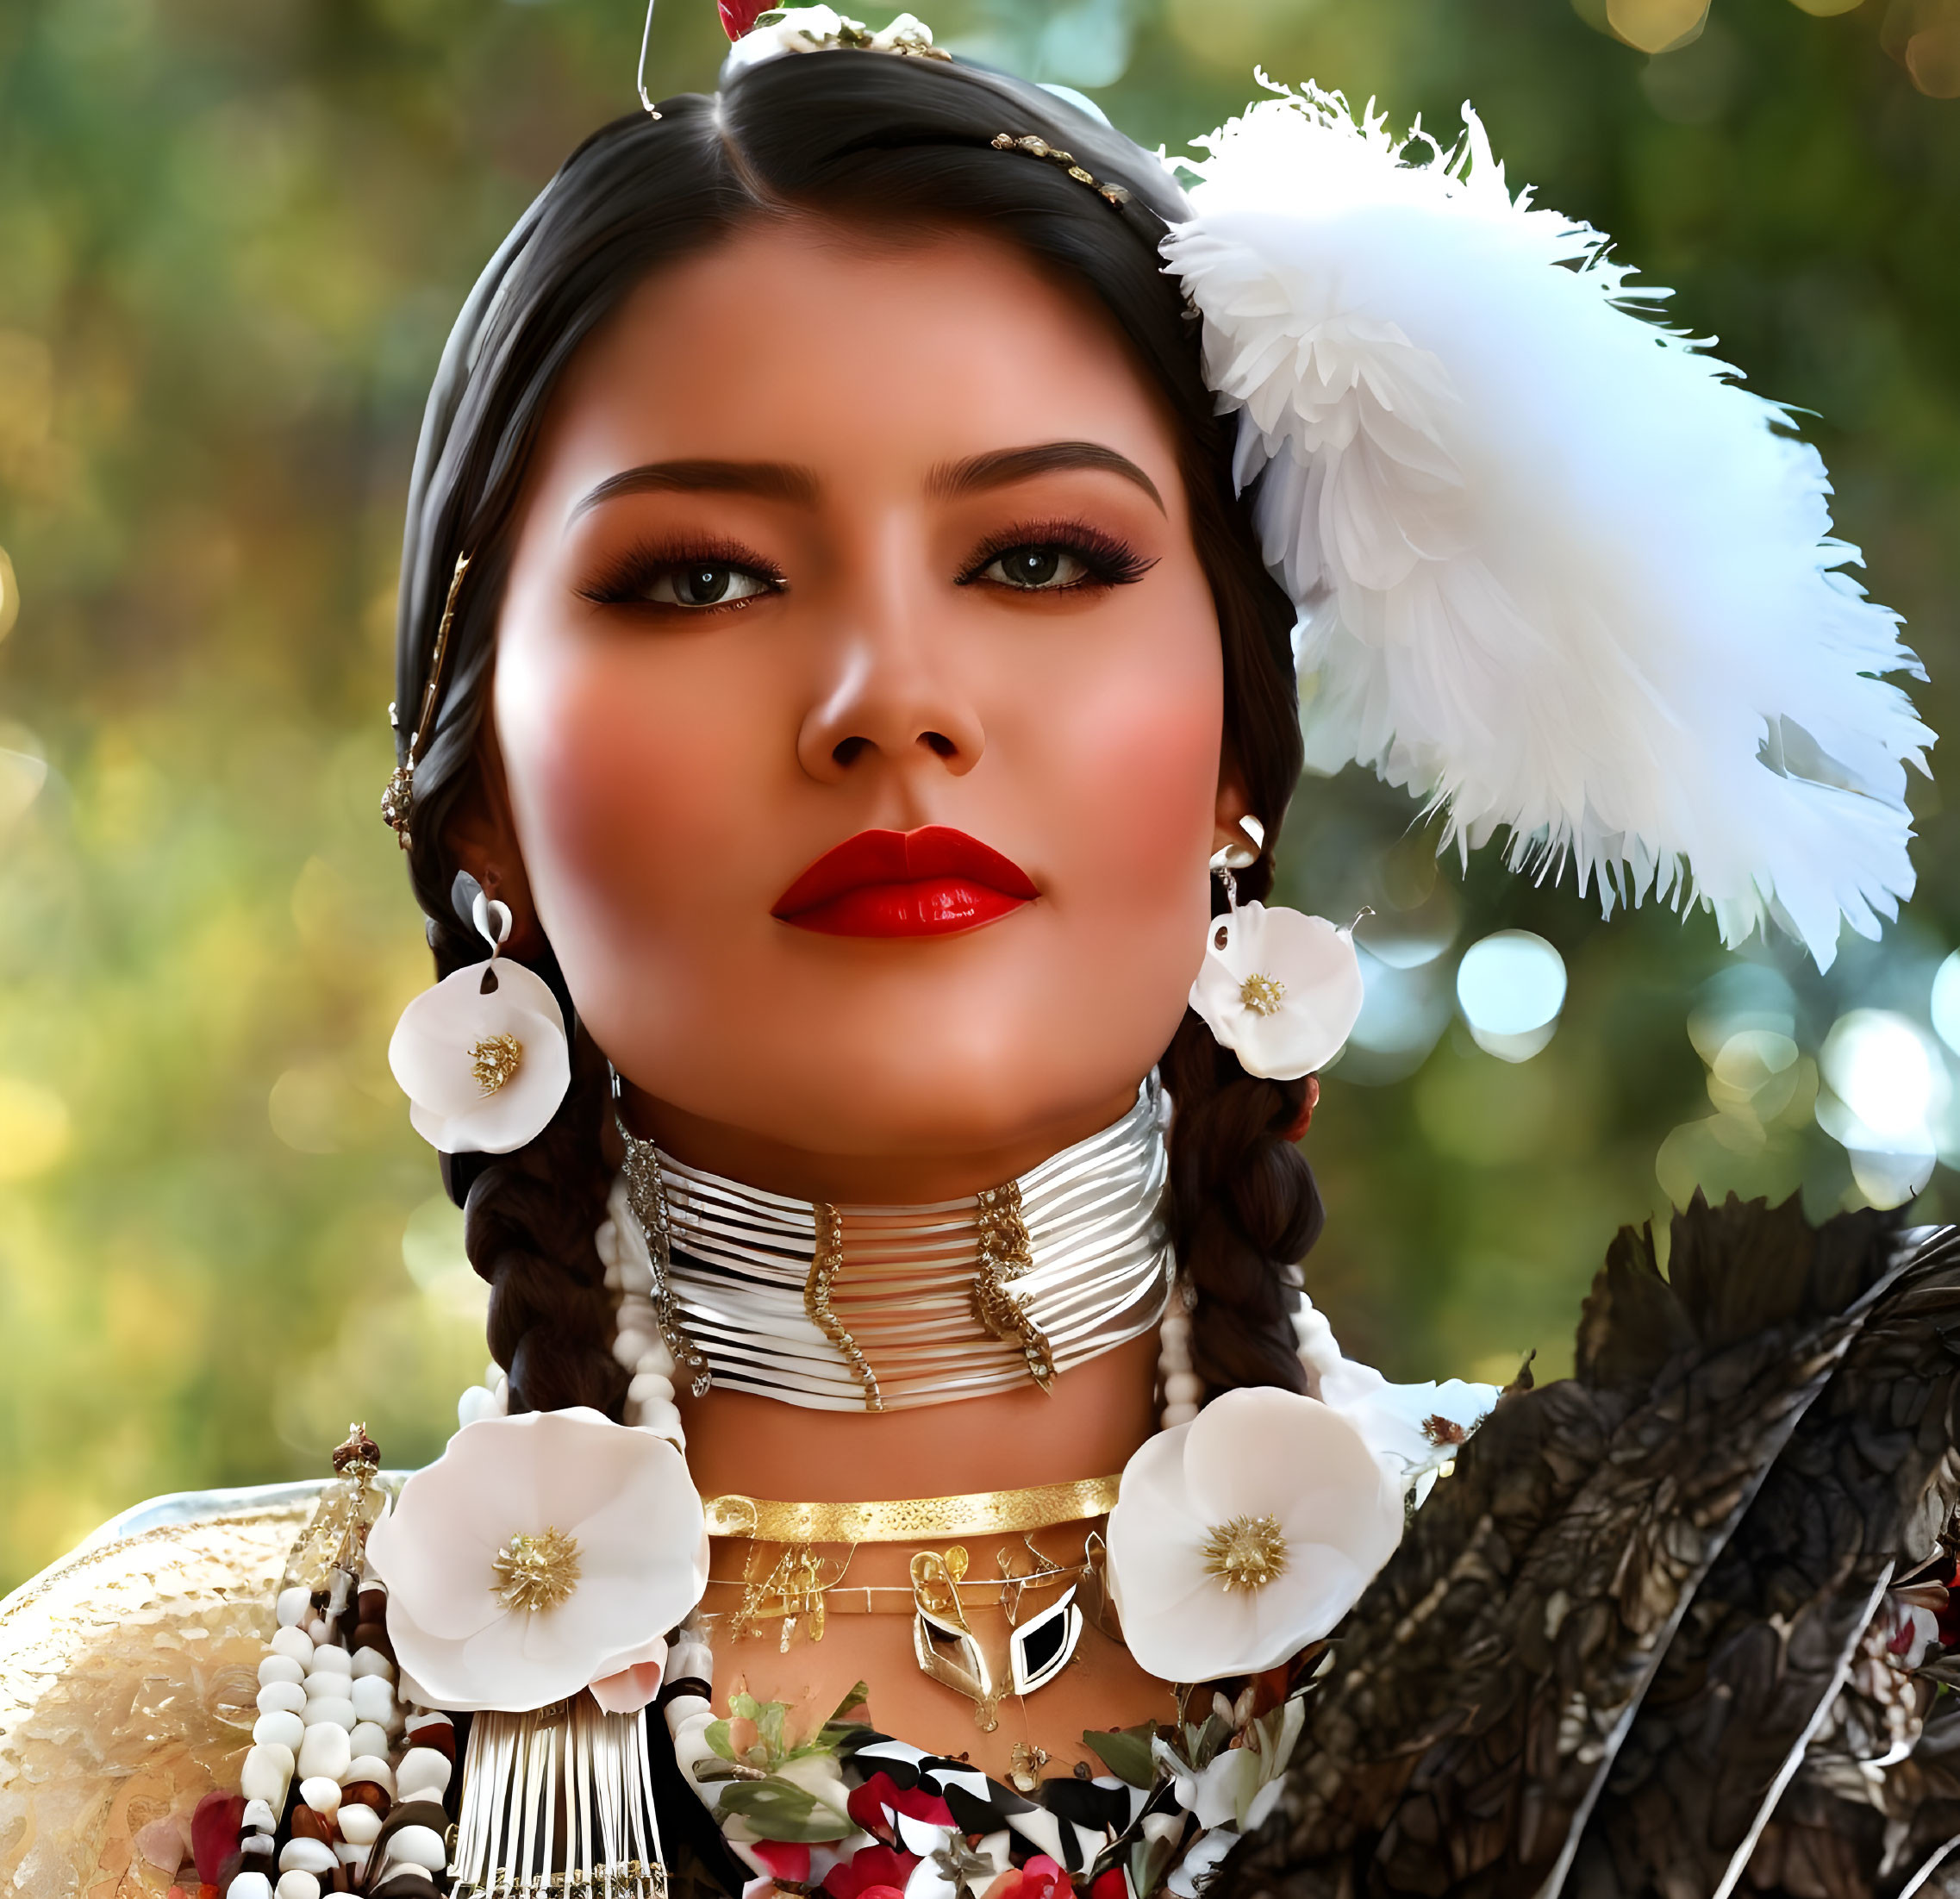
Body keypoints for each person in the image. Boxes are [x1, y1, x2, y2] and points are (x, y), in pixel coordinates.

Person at [2, 9, 1951, 1897]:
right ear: (481, 801)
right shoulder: (135, 1732)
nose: (890, 699)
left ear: (1234, 762)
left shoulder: (1757, 1654)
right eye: (701, 577)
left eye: (1039, 557)